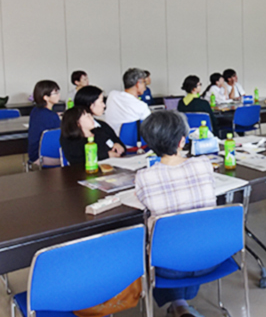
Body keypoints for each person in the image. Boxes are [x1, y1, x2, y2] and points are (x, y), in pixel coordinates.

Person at [135, 111, 215, 317]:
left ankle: (178, 304)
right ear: (182, 141)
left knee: (160, 239)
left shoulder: (144, 176)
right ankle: (181, 305)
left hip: (169, 266)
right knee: (189, 233)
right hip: (210, 255)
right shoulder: (204, 164)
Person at [69, 85, 125, 162]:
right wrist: (106, 155)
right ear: (91, 105)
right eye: (101, 102)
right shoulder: (72, 130)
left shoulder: (102, 125)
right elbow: (78, 158)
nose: (104, 105)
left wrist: (119, 146)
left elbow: (118, 142)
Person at [105, 68, 151, 135]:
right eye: (144, 82)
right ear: (138, 83)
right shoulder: (142, 106)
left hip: (112, 139)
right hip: (133, 141)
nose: (145, 87)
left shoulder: (112, 96)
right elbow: (150, 130)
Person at [28, 80, 62, 165]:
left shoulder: (35, 110)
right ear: (46, 97)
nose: (59, 95)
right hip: (44, 157)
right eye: (55, 93)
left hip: (34, 154)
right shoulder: (51, 116)